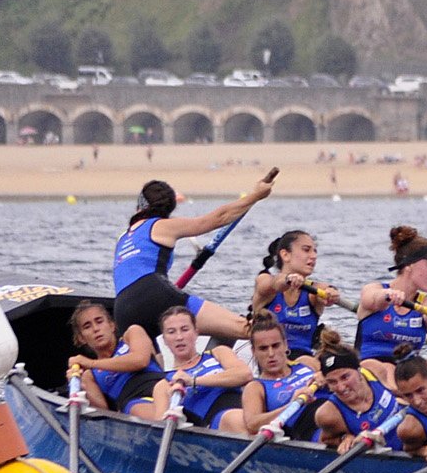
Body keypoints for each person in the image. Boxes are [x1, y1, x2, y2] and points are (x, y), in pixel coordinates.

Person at [111, 176, 273, 345]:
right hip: (153, 293)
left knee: (151, 366)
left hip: (123, 310)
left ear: (140, 205)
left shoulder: (123, 238)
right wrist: (255, 195)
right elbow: (218, 218)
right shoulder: (160, 225)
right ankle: (290, 347)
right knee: (244, 328)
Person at [355, 226, 427, 385]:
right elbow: (371, 298)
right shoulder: (374, 290)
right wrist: (387, 296)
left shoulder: (426, 302)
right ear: (410, 265)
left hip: (408, 374)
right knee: (386, 368)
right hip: (369, 371)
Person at [66, 301, 171, 419]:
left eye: (99, 321)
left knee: (166, 390)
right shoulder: (89, 376)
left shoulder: (132, 334)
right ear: (81, 338)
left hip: (161, 385)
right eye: (87, 326)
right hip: (134, 402)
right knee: (140, 411)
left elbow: (140, 360)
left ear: (112, 325)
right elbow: (102, 412)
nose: (95, 329)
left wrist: (91, 363)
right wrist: (78, 386)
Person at [250, 231, 340, 360]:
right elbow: (274, 283)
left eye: (315, 251)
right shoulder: (265, 281)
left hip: (303, 362)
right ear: (285, 255)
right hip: (269, 360)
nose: (313, 256)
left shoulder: (314, 290)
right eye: (306, 250)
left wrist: (332, 293)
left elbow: (325, 289)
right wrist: (288, 280)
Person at [160, 305, 251, 433]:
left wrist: (193, 381)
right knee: (236, 419)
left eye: (185, 329)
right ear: (164, 339)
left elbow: (244, 374)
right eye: (171, 332)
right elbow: (160, 423)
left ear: (196, 332)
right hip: (214, 421)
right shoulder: (166, 380)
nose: (179, 337)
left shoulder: (218, 352)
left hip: (245, 407)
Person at [312, 337, 405, 452]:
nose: (340, 387)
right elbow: (326, 440)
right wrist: (344, 438)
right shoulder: (327, 414)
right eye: (332, 382)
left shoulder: (373, 369)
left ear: (359, 370)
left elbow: (400, 393)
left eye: (345, 377)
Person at [240, 313, 323, 439]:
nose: (271, 353)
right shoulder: (256, 387)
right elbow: (252, 424)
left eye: (275, 346)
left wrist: (326, 377)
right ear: (254, 352)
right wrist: (291, 405)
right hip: (308, 428)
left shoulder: (307, 362)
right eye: (263, 348)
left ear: (285, 345)